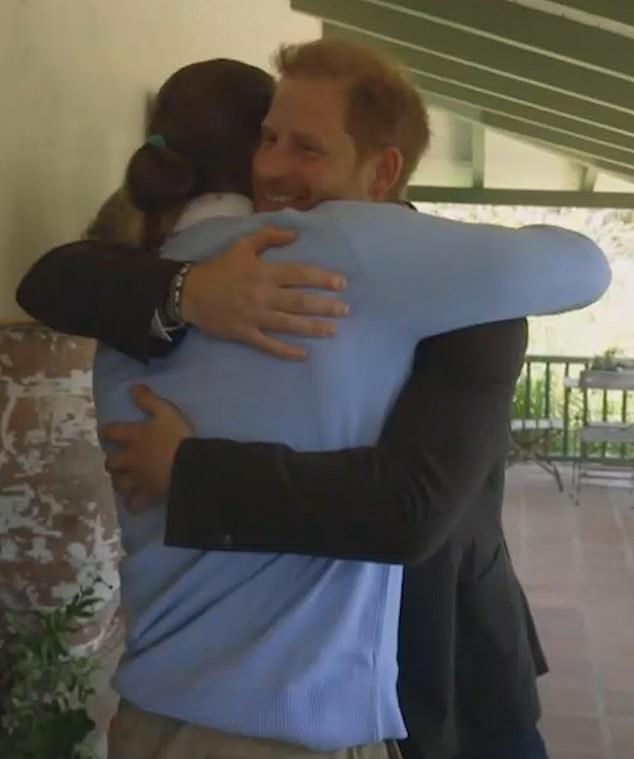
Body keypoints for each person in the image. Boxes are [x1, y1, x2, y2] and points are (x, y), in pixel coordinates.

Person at [16, 42, 610, 759]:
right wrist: (189, 292)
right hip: (303, 703)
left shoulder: (467, 291)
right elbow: (54, 279)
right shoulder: (225, 268)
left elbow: (408, 509)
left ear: (382, 170)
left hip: (447, 670)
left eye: (306, 148)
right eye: (266, 138)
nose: (269, 168)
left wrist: (192, 470)